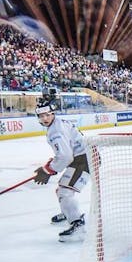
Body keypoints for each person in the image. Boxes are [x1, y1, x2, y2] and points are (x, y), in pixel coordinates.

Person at [33, 93, 90, 242]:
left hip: (84, 159)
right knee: (61, 190)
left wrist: (48, 170)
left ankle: (78, 226)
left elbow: (65, 156)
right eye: (41, 116)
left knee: (65, 191)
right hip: (80, 158)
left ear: (52, 113)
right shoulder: (57, 124)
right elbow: (65, 153)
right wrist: (50, 166)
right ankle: (68, 212)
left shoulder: (55, 130)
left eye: (47, 115)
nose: (44, 118)